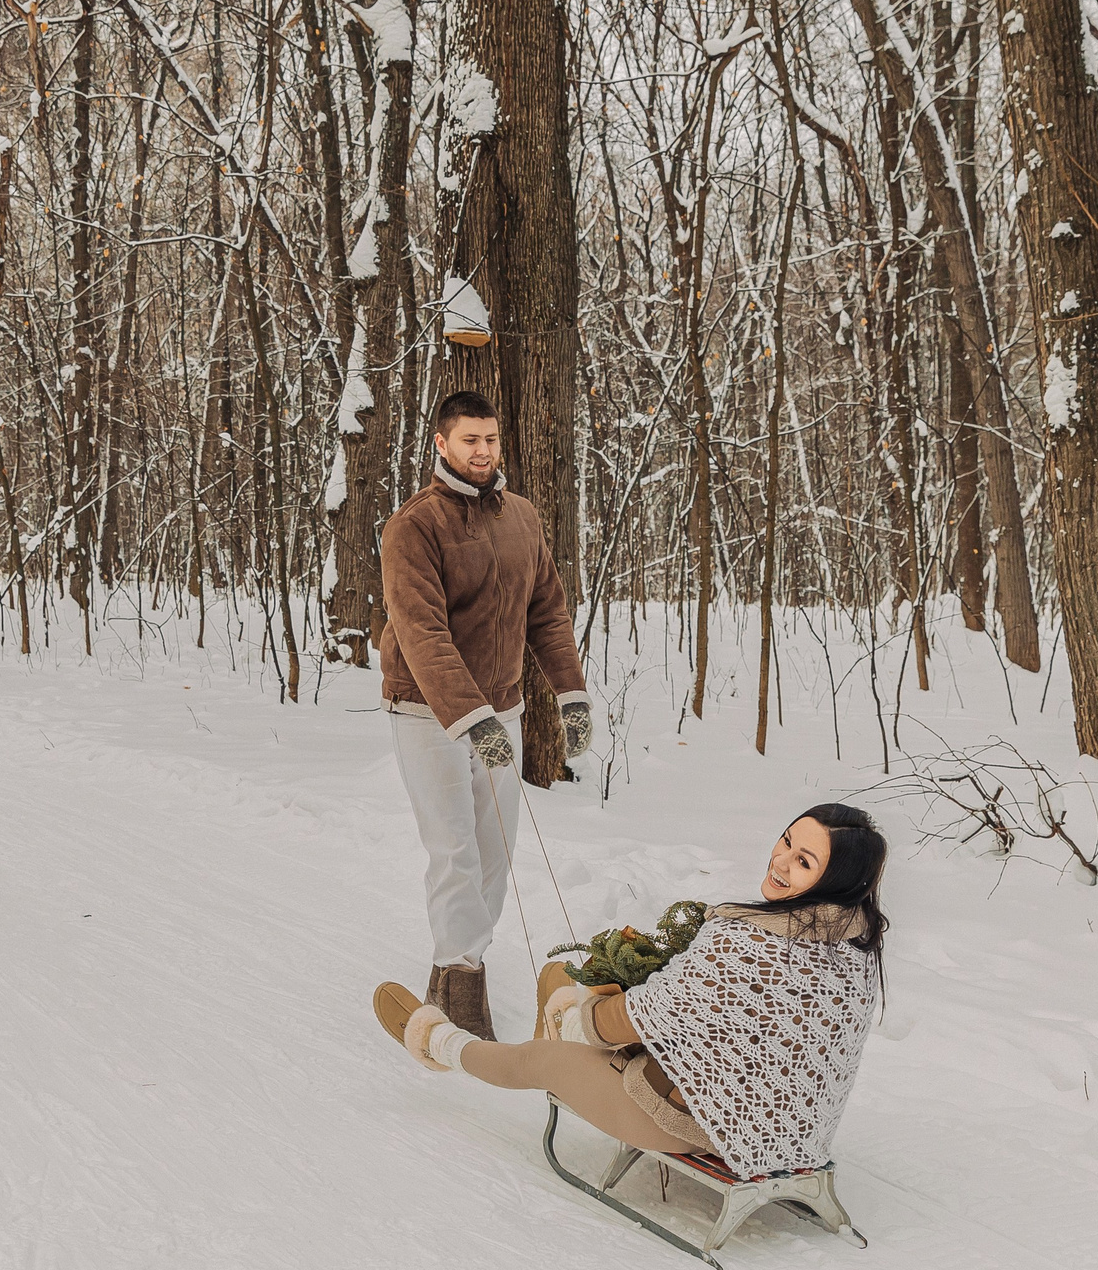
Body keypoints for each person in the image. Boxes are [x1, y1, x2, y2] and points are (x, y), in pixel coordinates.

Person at [370, 804, 888, 1180]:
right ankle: (559, 1016)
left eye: (803, 862)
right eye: (786, 841)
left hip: (702, 1124)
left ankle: (437, 1043)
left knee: (540, 1059)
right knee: (572, 993)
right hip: (792, 1134)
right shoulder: (856, 948)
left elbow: (626, 1020)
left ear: (832, 881)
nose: (780, 860)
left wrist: (587, 1017)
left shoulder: (749, 941)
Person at [378, 390, 593, 1041]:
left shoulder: (521, 518)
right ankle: (463, 987)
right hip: (426, 711)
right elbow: (423, 633)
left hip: (504, 707)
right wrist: (472, 719)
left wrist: (570, 694)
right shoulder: (414, 526)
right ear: (440, 444)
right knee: (455, 850)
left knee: (497, 854)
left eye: (491, 439)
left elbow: (548, 612)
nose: (482, 451)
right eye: (469, 439)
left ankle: (452, 974)